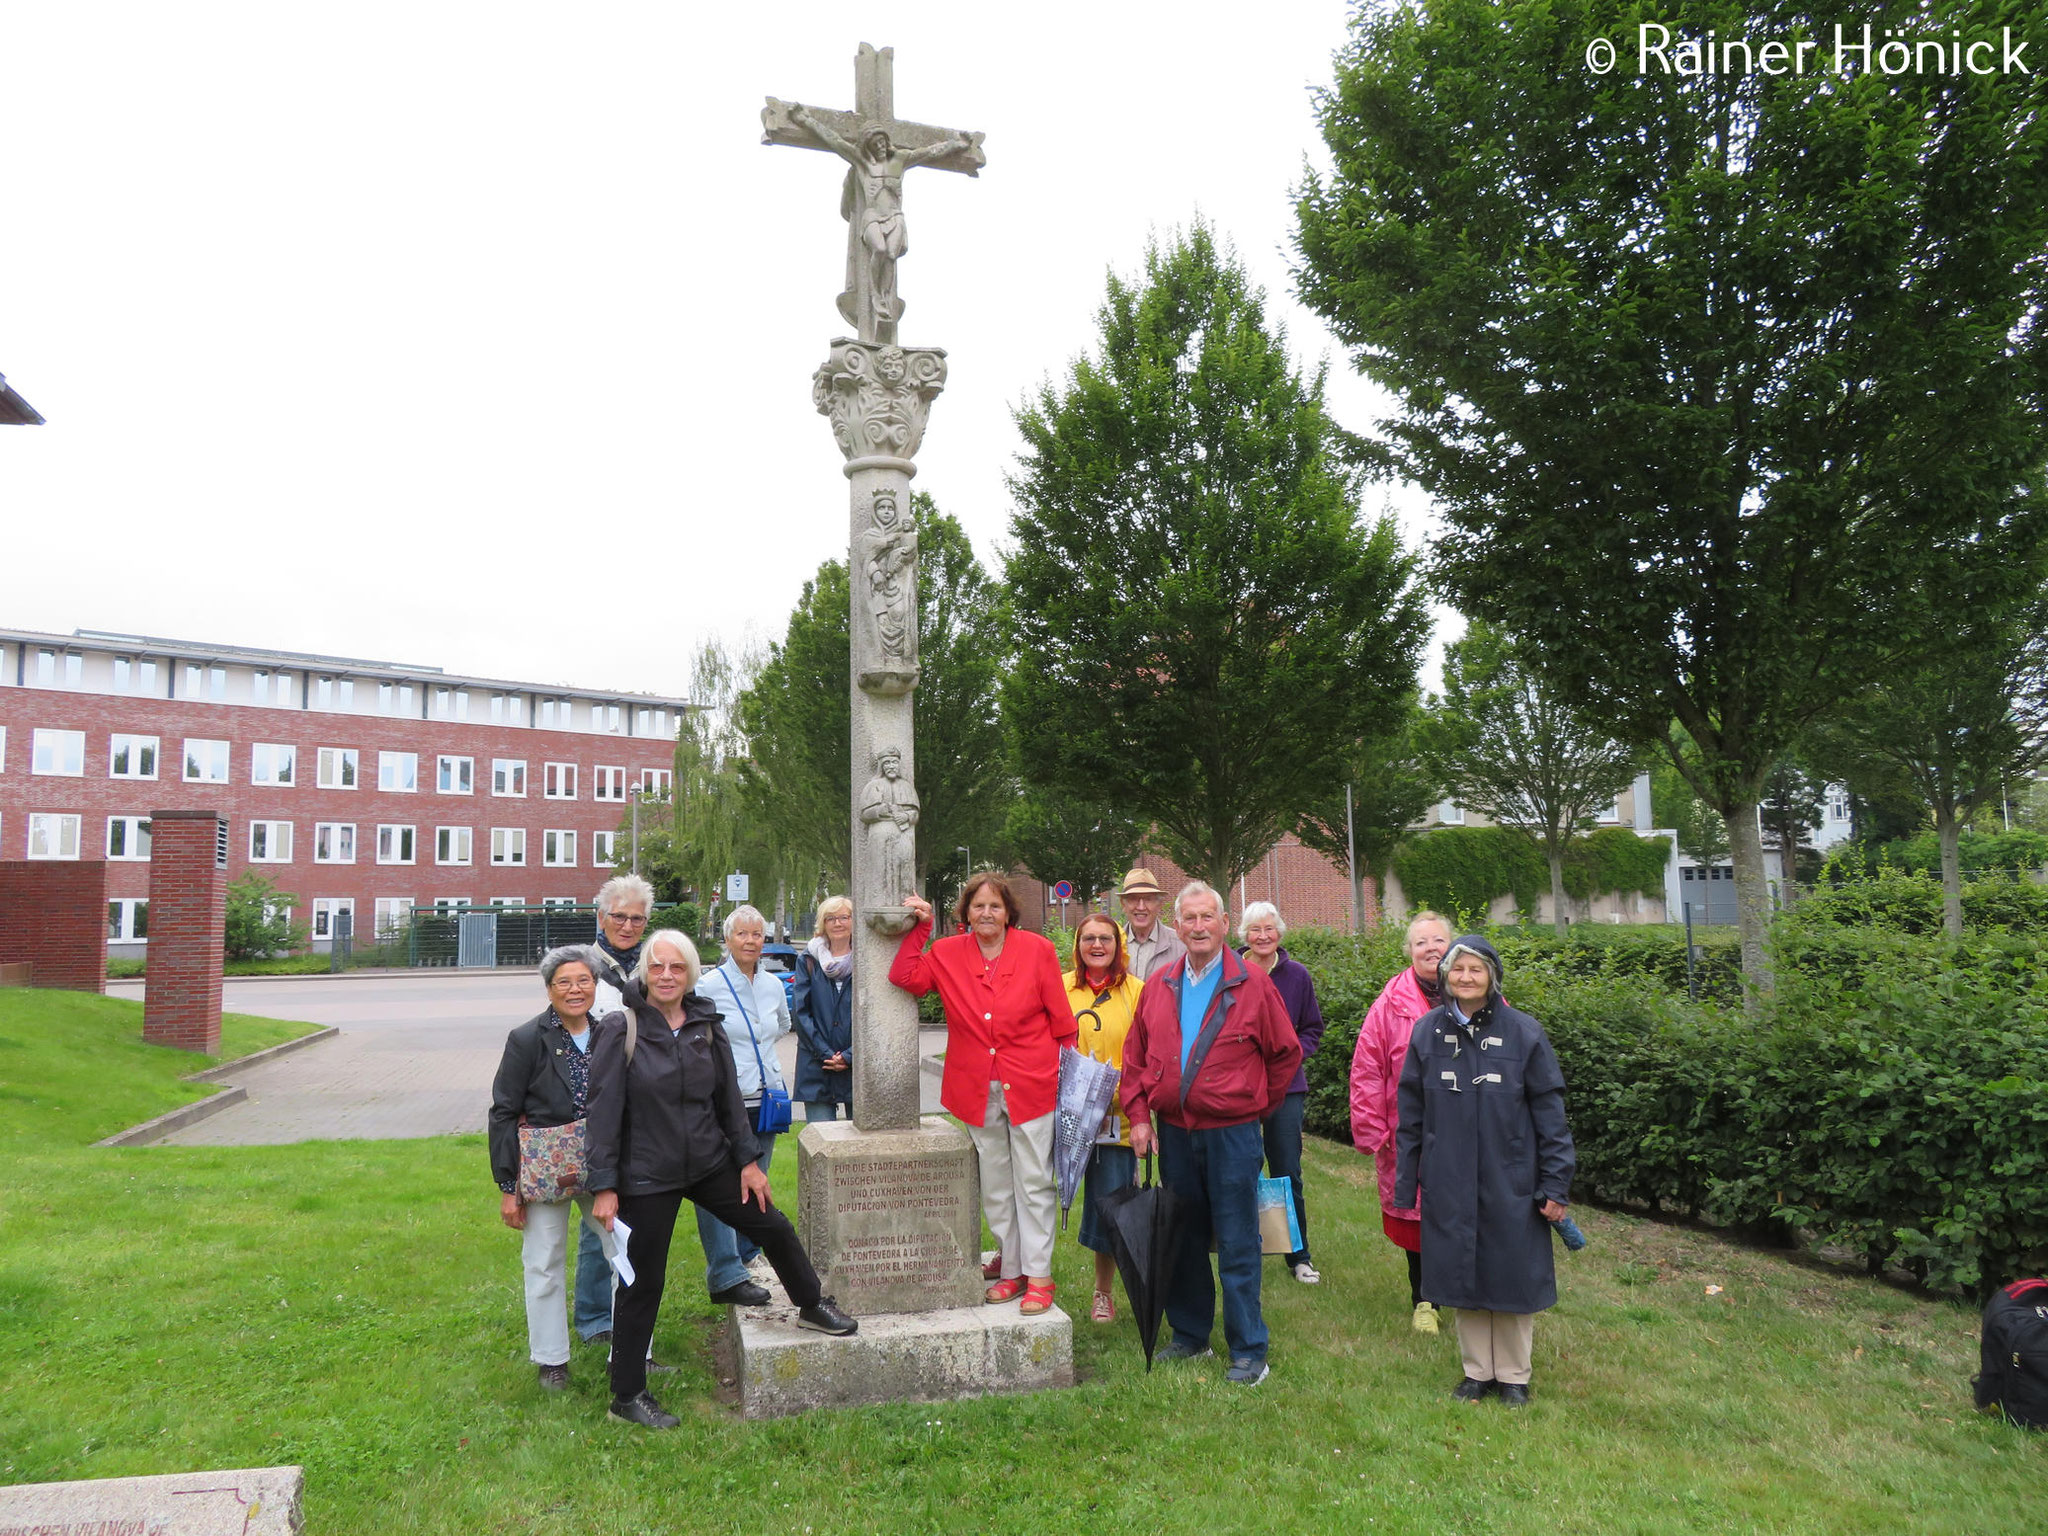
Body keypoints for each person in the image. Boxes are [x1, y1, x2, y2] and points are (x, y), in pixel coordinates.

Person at [586, 929, 856, 1430]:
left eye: (678, 967)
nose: (667, 975)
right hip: (647, 1174)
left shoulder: (704, 1023)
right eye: (658, 966)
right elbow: (602, 1112)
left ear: (690, 973)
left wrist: (748, 1162)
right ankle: (626, 1393)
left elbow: (728, 1101)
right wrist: (604, 1185)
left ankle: (811, 1303)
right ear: (645, 970)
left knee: (771, 1225)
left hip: (711, 1164)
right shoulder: (619, 1028)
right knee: (642, 1281)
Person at [1121, 882, 1301, 1386]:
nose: (1199, 927)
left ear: (1225, 924)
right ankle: (1191, 1334)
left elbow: (1285, 1053)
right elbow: (1134, 1058)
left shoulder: (1252, 984)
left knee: (1240, 1238)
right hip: (1175, 1132)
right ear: (1177, 927)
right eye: (1190, 919)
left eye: (1208, 918)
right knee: (1185, 1235)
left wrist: (1255, 1106)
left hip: (1233, 1135)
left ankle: (1249, 1349)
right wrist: (1139, 1118)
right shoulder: (1159, 984)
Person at [1394, 934, 1575, 1408]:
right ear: (1445, 976)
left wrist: (1555, 1183)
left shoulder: (1524, 1033)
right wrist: (1406, 1180)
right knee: (1462, 1273)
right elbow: (1410, 1113)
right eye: (1458, 969)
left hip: (1511, 1176)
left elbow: (1551, 1116)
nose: (1466, 978)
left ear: (1492, 977)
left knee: (1510, 1272)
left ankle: (1514, 1376)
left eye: (1476, 970)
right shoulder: (1427, 1033)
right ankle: (1477, 1372)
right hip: (1448, 1176)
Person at [890, 873, 1076, 1317]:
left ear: (1009, 911)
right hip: (976, 1086)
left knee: (1032, 1182)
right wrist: (922, 927)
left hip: (1032, 1083)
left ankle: (1040, 1276)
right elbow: (904, 975)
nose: (986, 913)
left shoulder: (1037, 949)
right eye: (978, 906)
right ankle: (1011, 1270)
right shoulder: (949, 953)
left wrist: (1067, 1085)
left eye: (995, 906)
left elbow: (1063, 1023)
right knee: (995, 1185)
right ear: (966, 913)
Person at [488, 945, 616, 1391]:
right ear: (549, 989)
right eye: (564, 982)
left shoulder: (609, 1034)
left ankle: (635, 1351)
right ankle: (551, 1361)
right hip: (545, 1168)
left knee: (625, 1252)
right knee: (543, 1261)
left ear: (595, 986)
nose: (575, 989)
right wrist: (509, 1186)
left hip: (602, 1167)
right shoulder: (527, 1038)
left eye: (583, 980)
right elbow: (504, 1110)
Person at [1350, 910, 1454, 1334]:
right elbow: (1367, 1069)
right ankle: (1424, 1298)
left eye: (1438, 941)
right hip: (1408, 1132)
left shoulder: (1477, 990)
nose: (1431, 949)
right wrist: (1373, 1128)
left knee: (1463, 1213)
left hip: (1467, 1131)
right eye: (1421, 942)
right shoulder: (1388, 1004)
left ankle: (1461, 1291)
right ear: (1409, 951)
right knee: (1415, 1217)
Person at [692, 904, 795, 1307]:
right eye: (743, 934)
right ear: (728, 938)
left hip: (766, 1097)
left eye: (758, 934)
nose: (751, 941)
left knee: (758, 1181)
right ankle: (725, 1272)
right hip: (723, 1101)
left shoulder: (771, 984)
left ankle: (748, 1253)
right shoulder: (708, 985)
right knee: (719, 1187)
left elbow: (782, 1025)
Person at [572, 872, 656, 1347]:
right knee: (596, 1221)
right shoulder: (583, 965)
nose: (627, 925)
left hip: (644, 1112)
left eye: (636, 918)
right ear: (601, 917)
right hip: (595, 1108)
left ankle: (627, 1315)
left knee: (636, 1218)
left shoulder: (651, 966)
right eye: (618, 916)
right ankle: (593, 1320)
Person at [1236, 901, 1326, 1285]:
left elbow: (1312, 1029)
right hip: (1238, 1088)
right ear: (1244, 935)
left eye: (1269, 929)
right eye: (1254, 930)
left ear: (1280, 933)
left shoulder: (1297, 976)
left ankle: (1298, 1255)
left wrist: (1291, 1057)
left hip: (1287, 1090)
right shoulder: (1231, 972)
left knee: (1287, 1170)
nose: (1262, 936)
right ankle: (1243, 1249)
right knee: (1240, 1170)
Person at [1065, 912, 1145, 1323]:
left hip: (1116, 1122)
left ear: (1118, 945)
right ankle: (1026, 1274)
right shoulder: (1061, 987)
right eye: (1089, 938)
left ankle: (1103, 1292)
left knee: (1109, 1207)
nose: (1097, 946)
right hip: (1062, 1117)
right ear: (1078, 945)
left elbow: (1145, 1055)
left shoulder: (1137, 992)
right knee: (1037, 1198)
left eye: (1106, 939)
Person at [792, 894, 855, 1126]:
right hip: (817, 1066)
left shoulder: (867, 959)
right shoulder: (808, 959)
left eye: (844, 917)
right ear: (823, 923)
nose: (838, 923)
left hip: (858, 1069)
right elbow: (800, 1012)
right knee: (821, 1143)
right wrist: (826, 1053)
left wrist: (849, 1056)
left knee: (862, 1148)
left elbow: (874, 1017)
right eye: (830, 918)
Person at [1118, 867, 1187, 981]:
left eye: (1148, 899)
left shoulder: (1181, 945)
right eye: (1134, 899)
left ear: (1159, 904)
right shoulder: (1112, 945)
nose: (1141, 907)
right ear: (1123, 904)